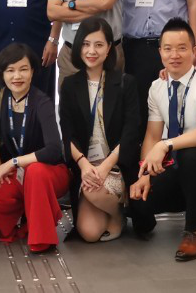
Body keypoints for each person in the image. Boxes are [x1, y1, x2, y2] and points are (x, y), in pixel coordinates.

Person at [127, 18, 196, 262]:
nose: (174, 55)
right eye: (168, 49)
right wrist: (144, 173)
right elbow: (152, 135)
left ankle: (195, 231)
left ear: (194, 51)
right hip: (182, 165)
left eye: (182, 48)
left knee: (190, 155)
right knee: (139, 205)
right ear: (160, 52)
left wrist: (165, 145)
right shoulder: (157, 87)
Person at [58, 18, 142, 243]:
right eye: (86, 44)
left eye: (98, 45)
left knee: (93, 192)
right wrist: (84, 165)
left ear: (109, 48)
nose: (91, 51)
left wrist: (105, 166)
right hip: (86, 166)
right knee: (89, 233)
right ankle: (106, 208)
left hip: (115, 164)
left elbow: (131, 132)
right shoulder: (70, 85)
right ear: (78, 47)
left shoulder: (125, 82)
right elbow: (67, 133)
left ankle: (117, 215)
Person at [0, 43, 69, 253]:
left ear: (32, 72)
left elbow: (54, 150)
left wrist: (13, 162)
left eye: (23, 69)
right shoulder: (0, 96)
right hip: (18, 172)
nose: (17, 76)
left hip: (49, 172)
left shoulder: (42, 102)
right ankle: (26, 215)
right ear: (1, 74)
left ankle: (42, 238)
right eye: (10, 70)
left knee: (35, 171)